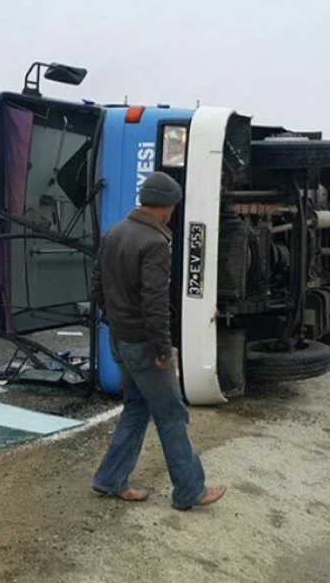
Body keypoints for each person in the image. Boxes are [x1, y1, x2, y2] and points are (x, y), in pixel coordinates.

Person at [91, 171, 226, 510]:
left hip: (119, 339)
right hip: (144, 345)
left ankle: (110, 479)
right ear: (168, 207)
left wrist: (112, 319)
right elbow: (154, 301)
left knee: (136, 409)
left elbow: (97, 285)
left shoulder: (113, 233)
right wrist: (163, 350)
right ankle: (190, 489)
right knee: (171, 415)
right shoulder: (154, 242)